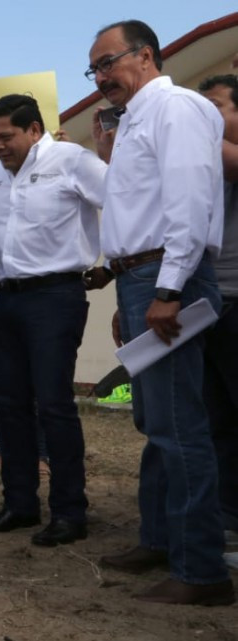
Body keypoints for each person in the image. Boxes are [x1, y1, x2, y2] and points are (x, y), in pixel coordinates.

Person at [88, 20, 233, 606]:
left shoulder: (175, 108)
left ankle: (202, 572)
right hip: (140, 277)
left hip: (166, 275)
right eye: (94, 69)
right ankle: (159, 539)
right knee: (155, 423)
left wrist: (168, 289)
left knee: (179, 427)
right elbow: (139, 209)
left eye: (108, 63)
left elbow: (189, 203)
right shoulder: (134, 120)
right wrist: (122, 281)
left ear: (145, 55)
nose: (100, 78)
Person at [0, 94, 106, 548]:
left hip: (55, 296)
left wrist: (115, 265)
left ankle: (69, 511)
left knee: (53, 404)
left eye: (6, 136)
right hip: (6, 301)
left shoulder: (72, 160)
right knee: (8, 406)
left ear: (34, 129)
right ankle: (20, 503)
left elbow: (124, 200)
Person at [199, 73, 238, 571]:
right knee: (218, 422)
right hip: (208, 302)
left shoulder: (218, 154)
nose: (204, 117)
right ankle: (228, 518)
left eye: (215, 107)